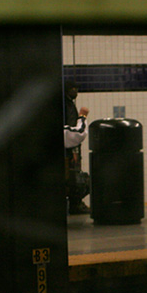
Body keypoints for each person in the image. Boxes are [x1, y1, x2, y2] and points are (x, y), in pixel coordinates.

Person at [64, 80, 91, 215]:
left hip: (69, 149)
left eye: (76, 88)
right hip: (69, 150)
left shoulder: (67, 103)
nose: (75, 91)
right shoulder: (67, 105)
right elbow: (74, 132)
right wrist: (83, 116)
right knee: (76, 179)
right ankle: (76, 204)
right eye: (72, 88)